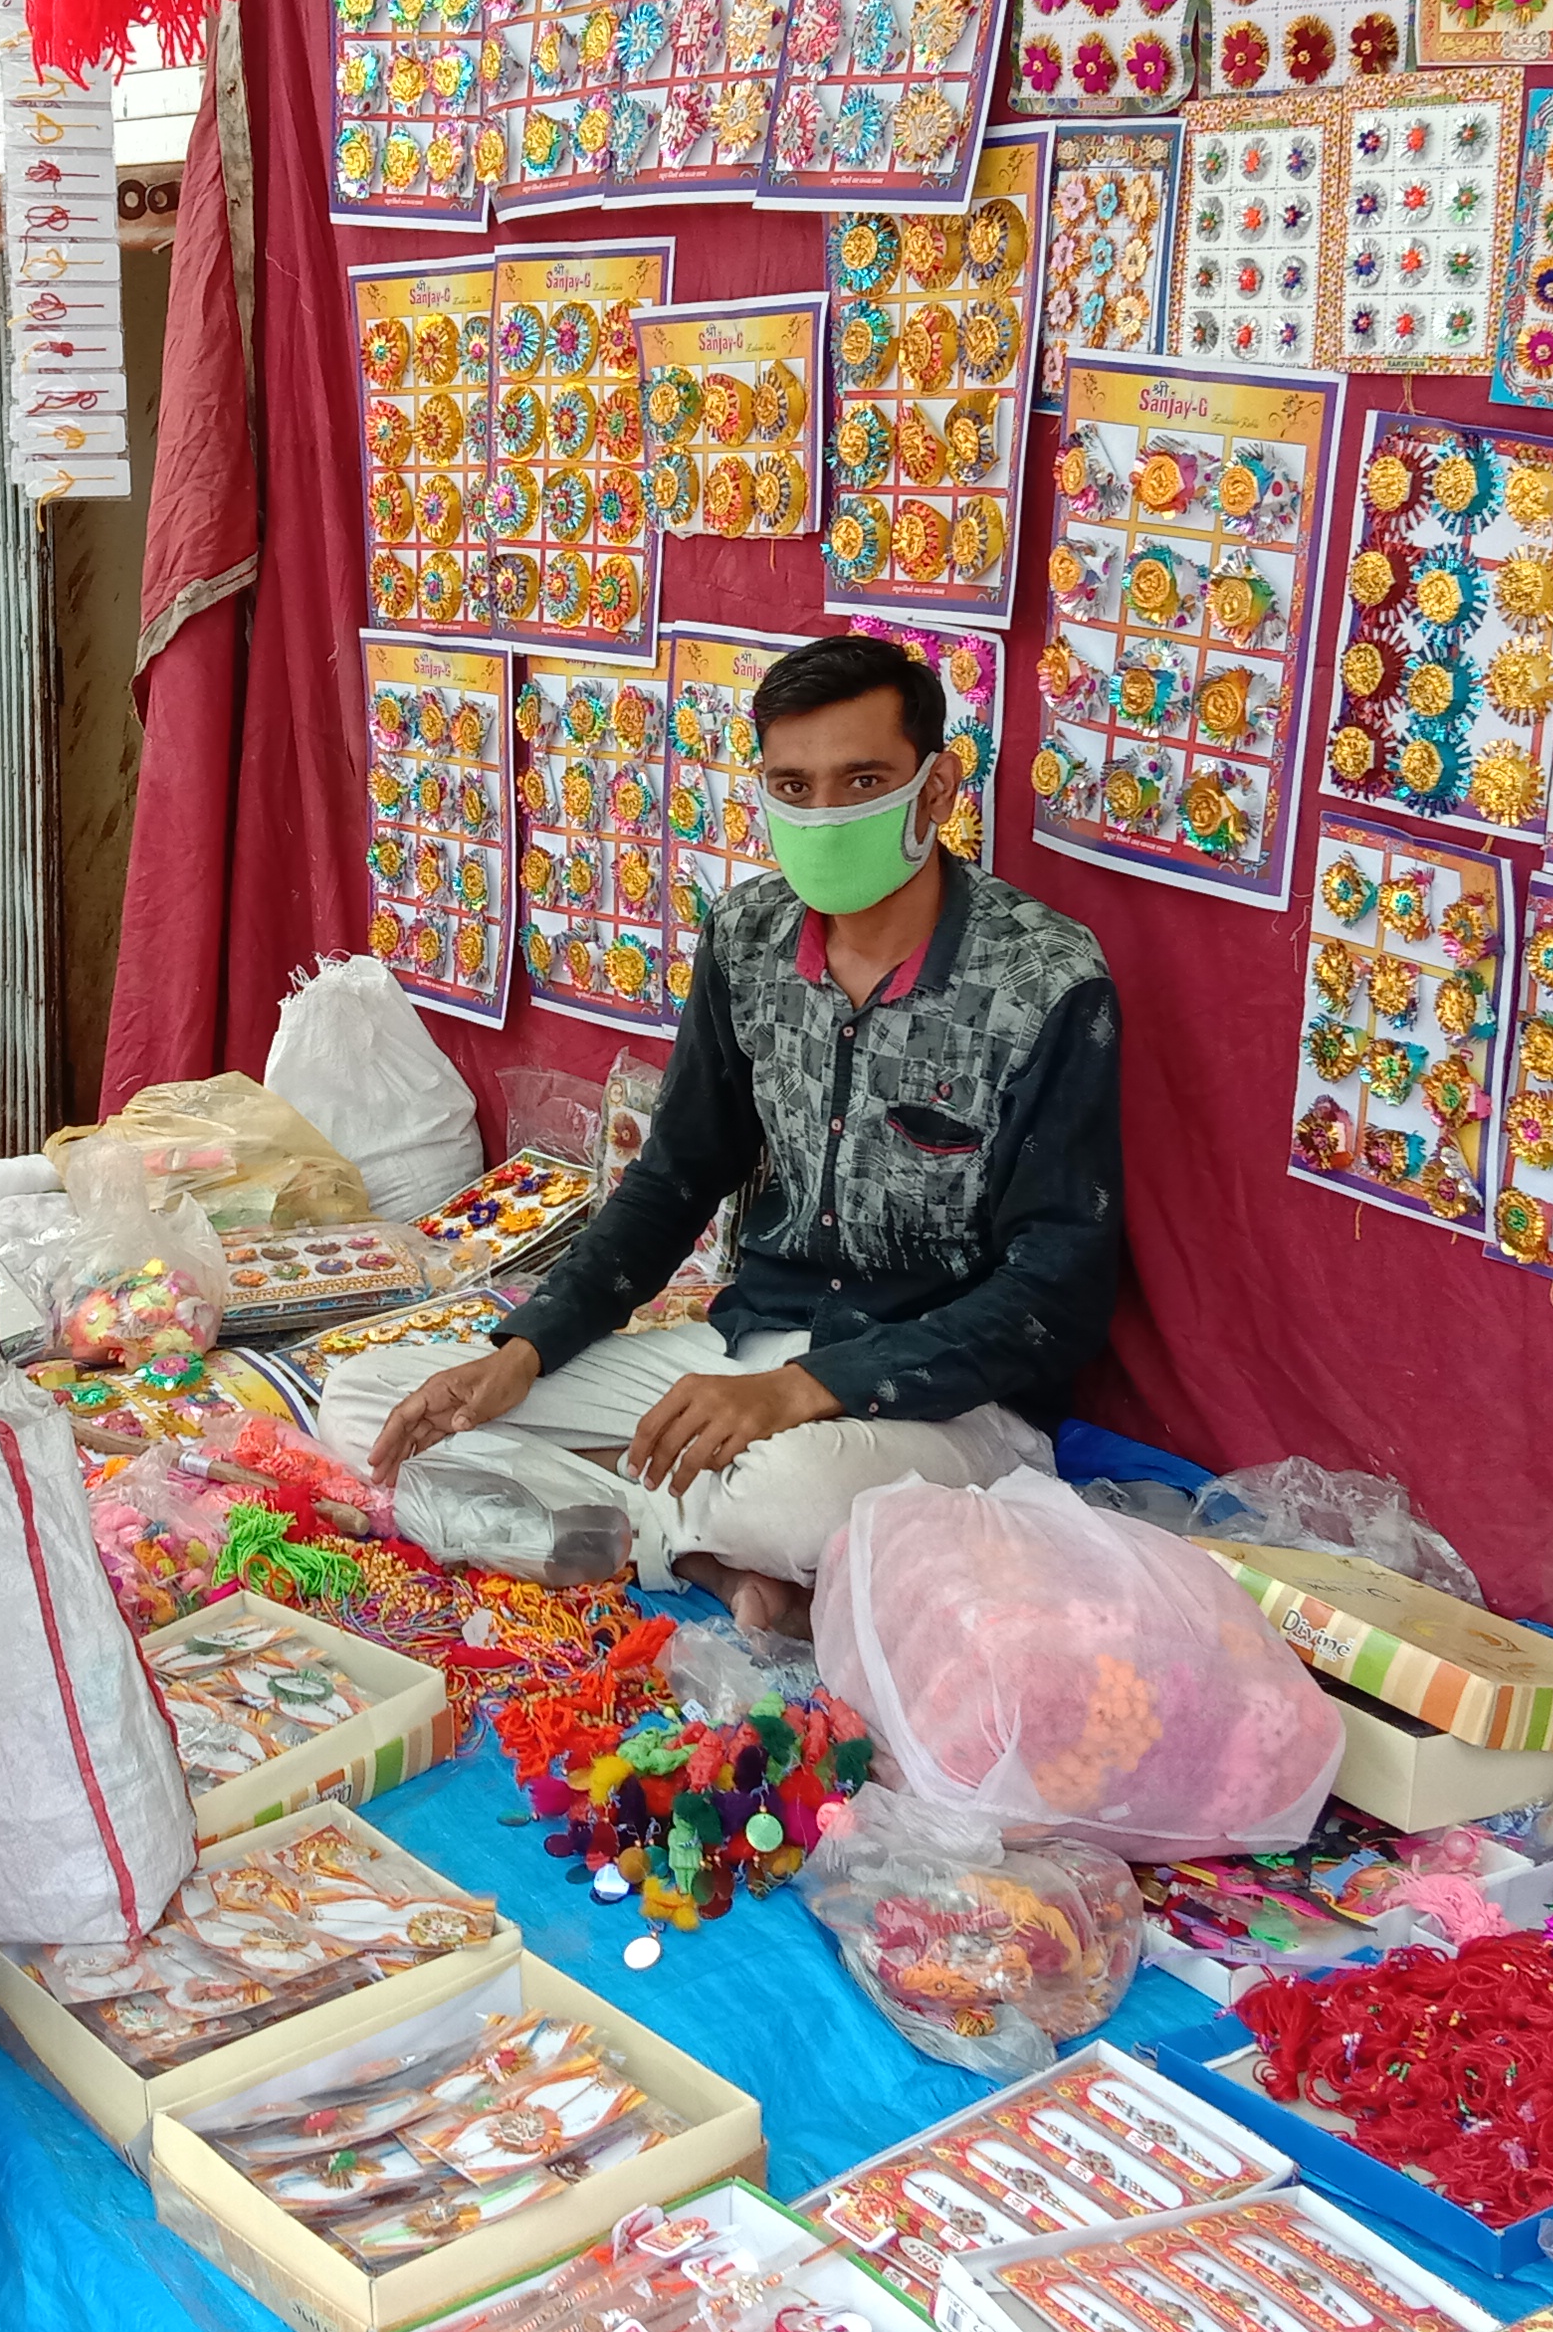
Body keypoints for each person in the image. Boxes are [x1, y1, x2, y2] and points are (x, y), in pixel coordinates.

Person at [361, 632, 1127, 1634]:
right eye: (792, 787)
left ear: (935, 791)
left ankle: (647, 1529)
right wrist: (527, 1346)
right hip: (739, 1351)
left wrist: (807, 1389)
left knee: (791, 1500)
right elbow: (671, 1181)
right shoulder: (744, 936)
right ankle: (716, 1565)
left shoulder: (1048, 981)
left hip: (934, 1403)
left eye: (861, 781)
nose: (823, 815)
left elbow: (1052, 1295)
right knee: (379, 1402)